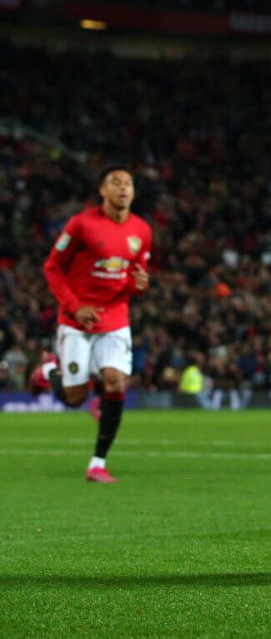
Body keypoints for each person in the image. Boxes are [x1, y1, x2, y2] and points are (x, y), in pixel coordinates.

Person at [40, 166, 152, 484]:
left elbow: (134, 278)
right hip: (76, 318)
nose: (123, 188)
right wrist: (75, 307)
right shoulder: (81, 224)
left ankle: (98, 463)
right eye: (116, 182)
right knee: (74, 398)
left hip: (115, 317)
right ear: (102, 190)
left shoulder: (141, 230)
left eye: (128, 183)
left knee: (115, 383)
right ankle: (47, 371)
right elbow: (52, 267)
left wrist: (139, 285)